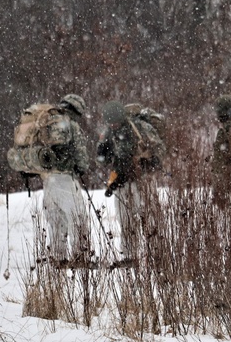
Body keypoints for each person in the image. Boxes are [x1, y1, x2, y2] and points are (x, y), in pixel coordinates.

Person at [96, 100, 165, 263]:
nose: (112, 125)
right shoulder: (108, 133)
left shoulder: (140, 127)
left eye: (115, 122)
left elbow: (160, 148)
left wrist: (151, 159)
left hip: (143, 179)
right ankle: (129, 256)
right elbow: (101, 160)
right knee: (124, 219)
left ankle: (156, 253)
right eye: (109, 122)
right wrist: (103, 153)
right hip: (121, 180)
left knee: (148, 216)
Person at [39, 94, 92, 265]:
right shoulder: (71, 125)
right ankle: (80, 257)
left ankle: (58, 257)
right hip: (65, 180)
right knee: (77, 218)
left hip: (48, 181)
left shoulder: (46, 123)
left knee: (56, 221)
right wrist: (81, 167)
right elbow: (81, 155)